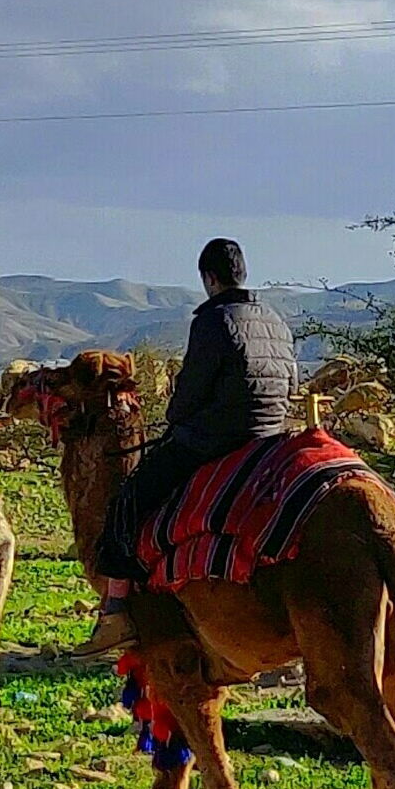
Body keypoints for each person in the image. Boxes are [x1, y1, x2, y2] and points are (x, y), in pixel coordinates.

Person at [90, 238, 299, 649]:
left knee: (130, 499)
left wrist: (175, 420)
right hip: (272, 437)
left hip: (215, 440)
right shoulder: (275, 319)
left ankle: (116, 609)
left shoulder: (212, 321)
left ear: (209, 278)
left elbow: (189, 395)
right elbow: (291, 383)